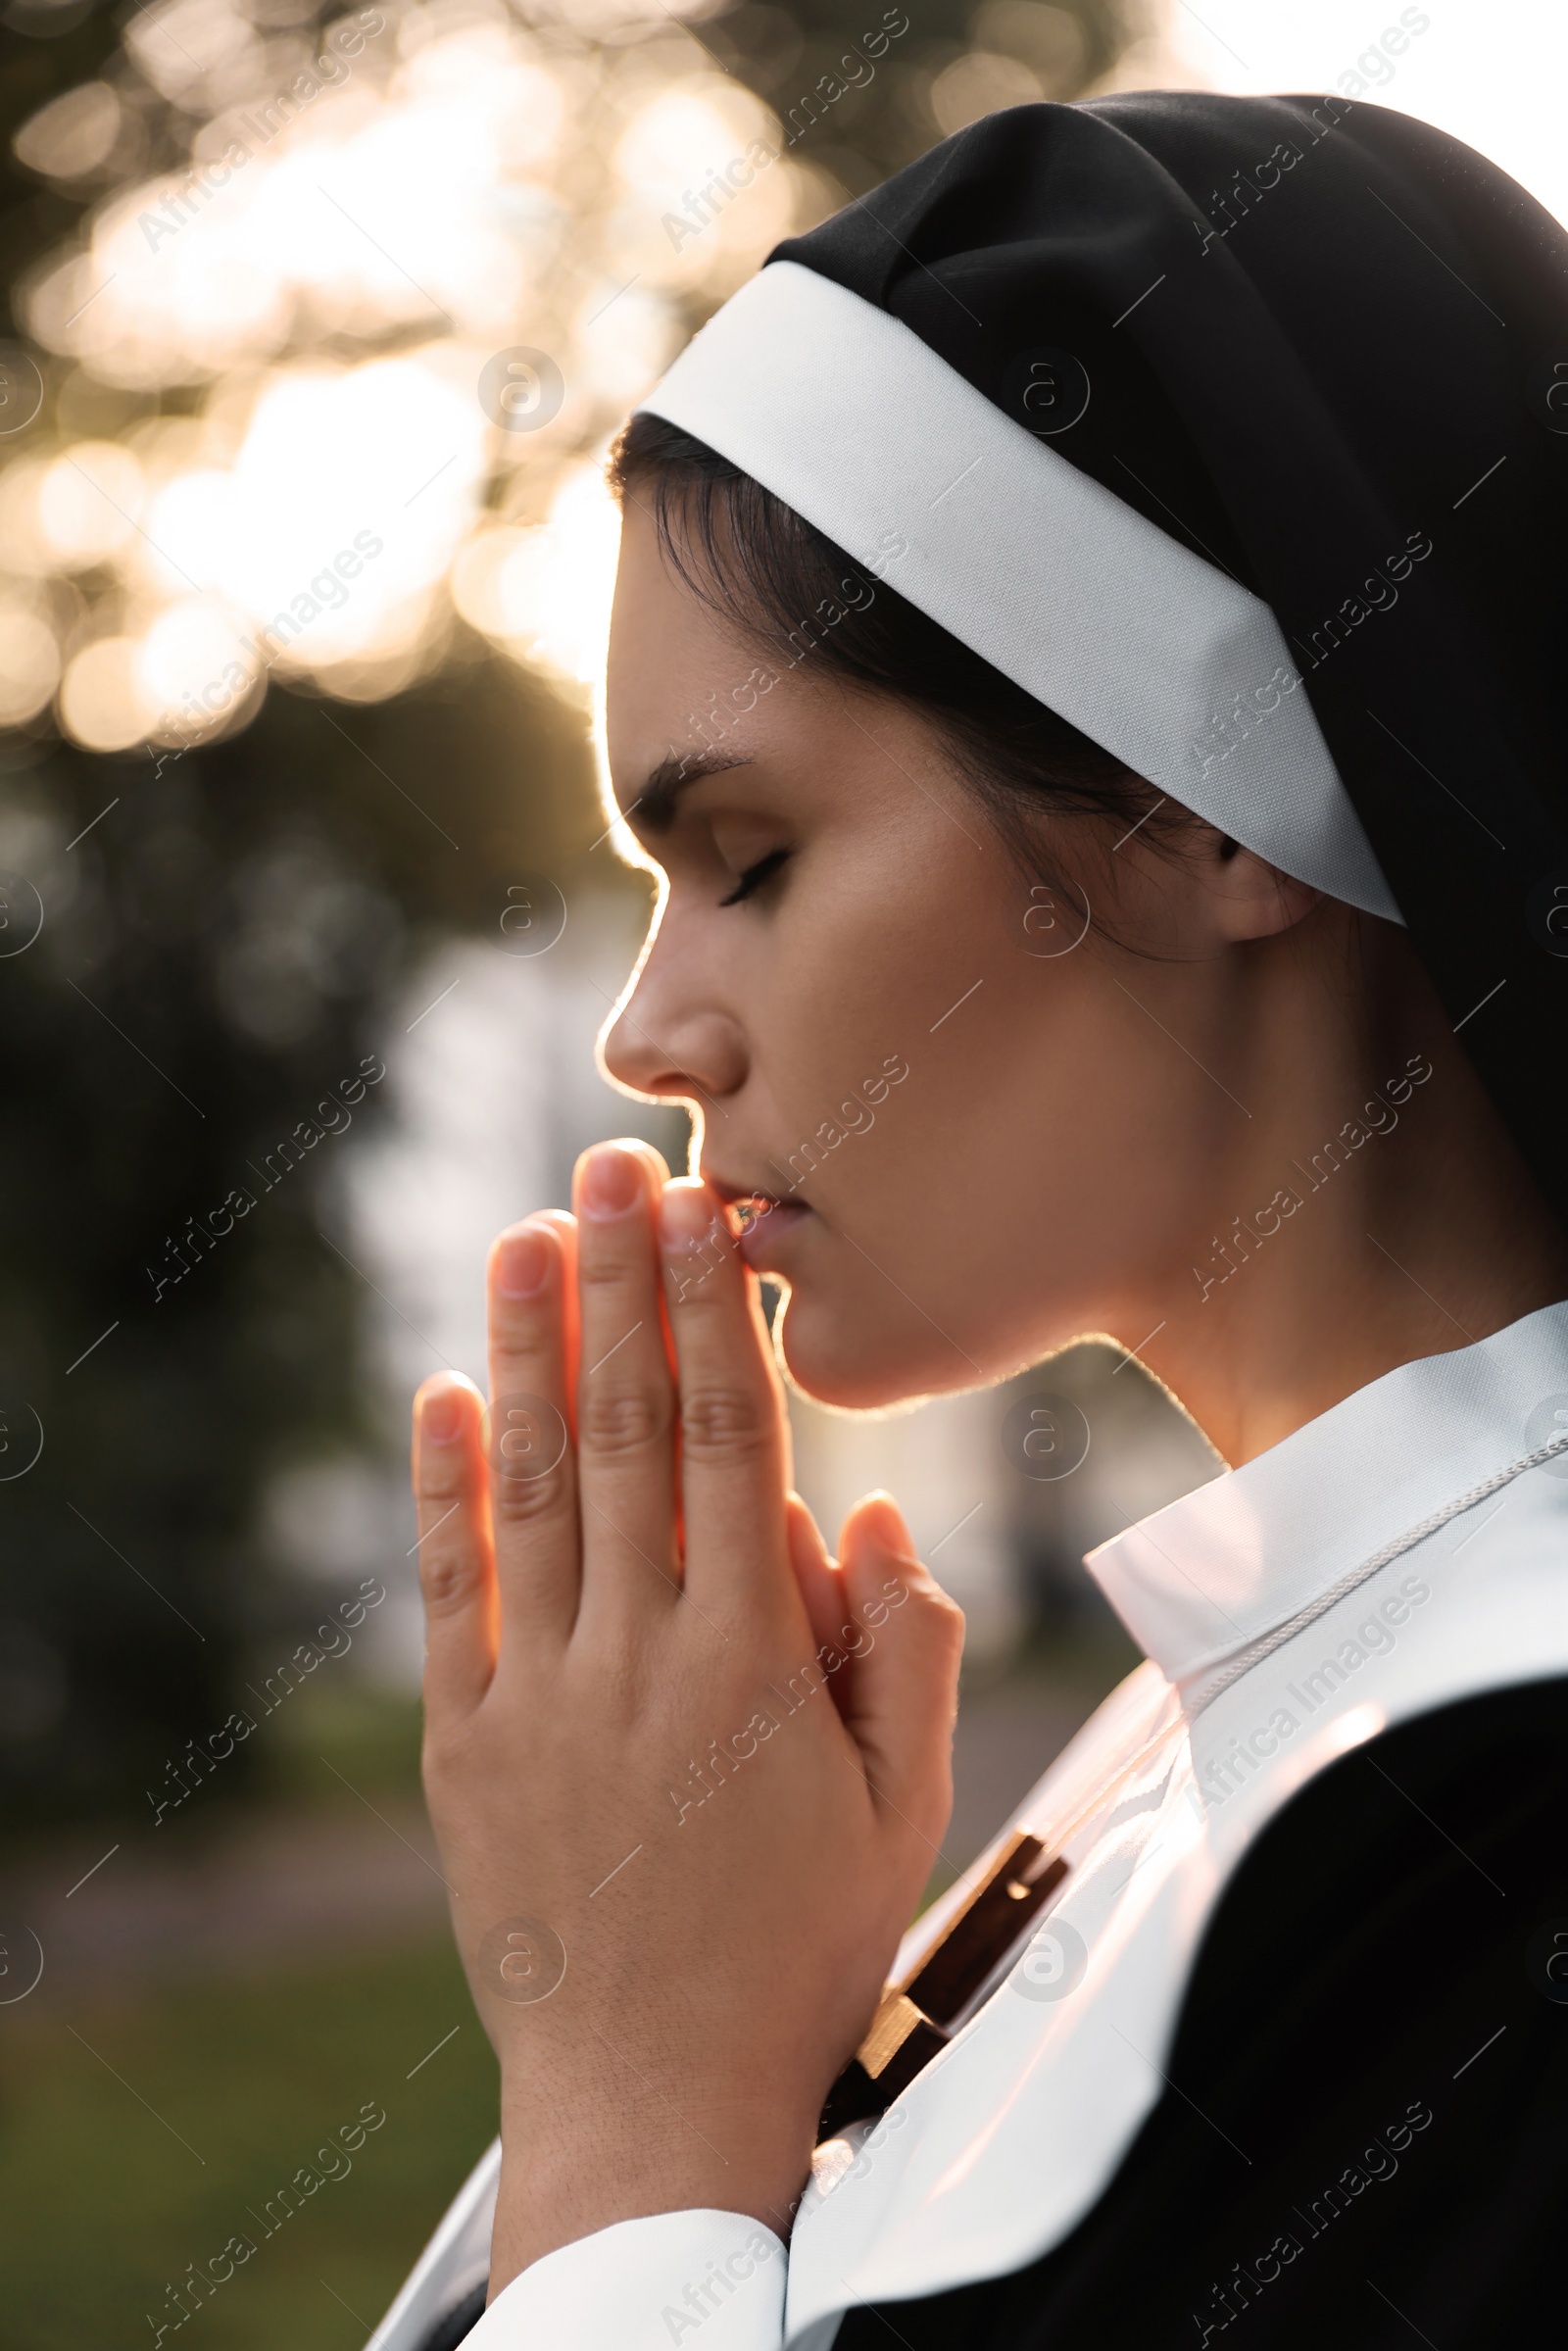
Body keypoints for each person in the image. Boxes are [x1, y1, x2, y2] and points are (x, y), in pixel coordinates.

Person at [369, 89, 1568, 2351]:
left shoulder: (1486, 1837)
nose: (648, 1034)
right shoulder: (1216, 1726)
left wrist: (633, 2105)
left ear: (1208, 804)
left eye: (749, 859)